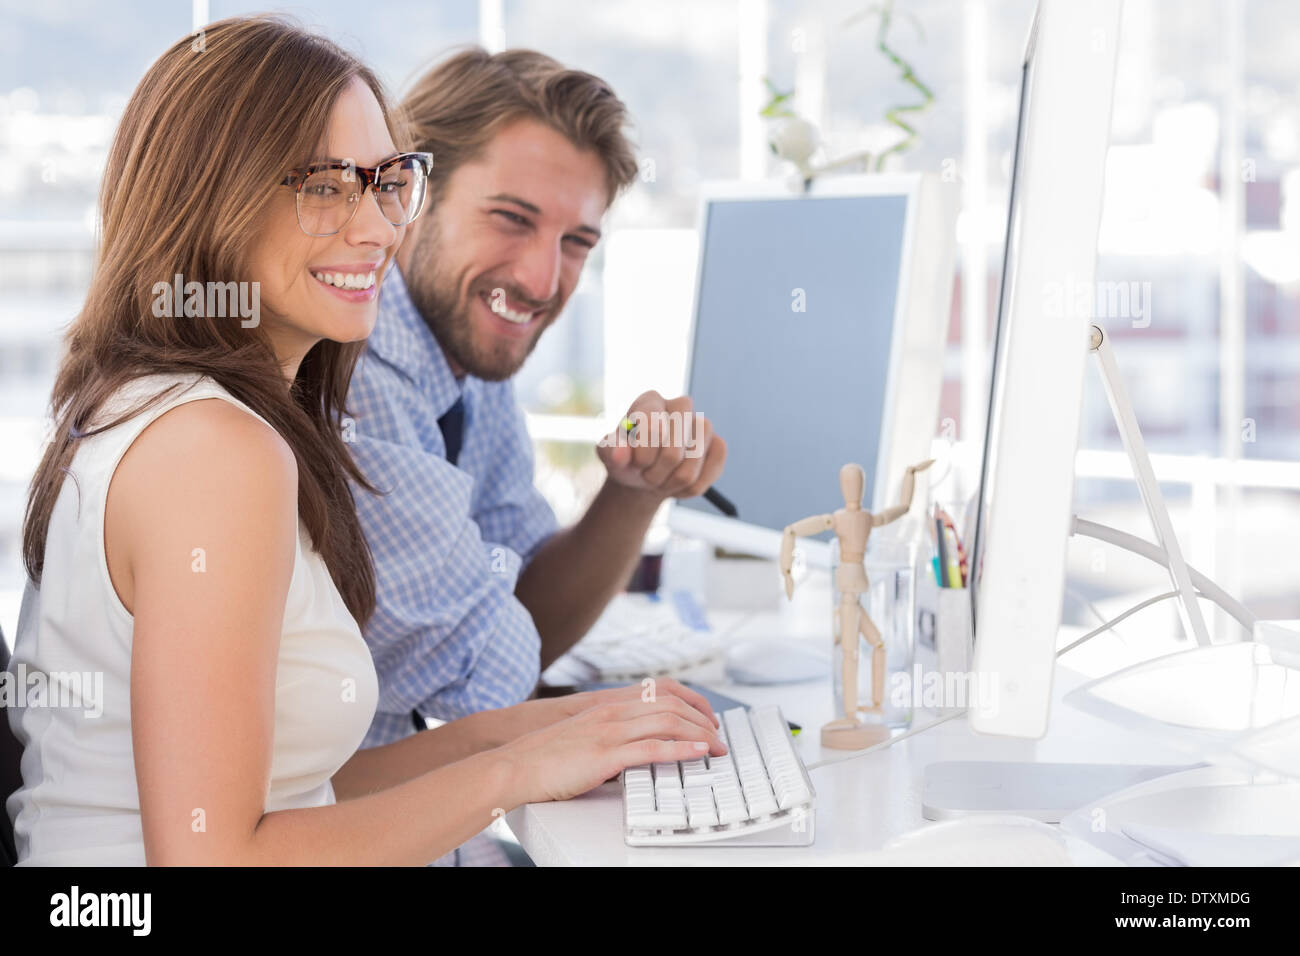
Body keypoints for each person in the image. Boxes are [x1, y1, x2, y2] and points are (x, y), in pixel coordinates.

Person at [6, 15, 723, 867]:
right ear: (211, 195)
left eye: (389, 182)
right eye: (324, 187)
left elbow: (303, 797)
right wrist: (515, 771)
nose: (381, 227)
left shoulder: (185, 412)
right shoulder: (214, 451)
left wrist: (545, 731)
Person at [349, 48, 728, 749]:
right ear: (409, 192)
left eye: (577, 242)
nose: (543, 279)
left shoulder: (464, 352)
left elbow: (525, 610)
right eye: (512, 219)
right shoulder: (360, 371)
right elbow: (477, 675)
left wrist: (634, 490)